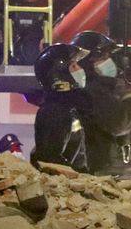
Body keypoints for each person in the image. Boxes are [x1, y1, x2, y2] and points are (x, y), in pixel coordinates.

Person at [70, 31, 131, 179]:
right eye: (103, 58)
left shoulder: (109, 88)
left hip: (121, 174)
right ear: (87, 63)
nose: (109, 61)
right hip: (106, 177)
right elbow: (119, 124)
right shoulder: (92, 91)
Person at [29, 42, 90, 171]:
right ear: (60, 74)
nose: (80, 69)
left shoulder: (67, 106)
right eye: (73, 65)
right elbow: (50, 161)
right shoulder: (56, 111)